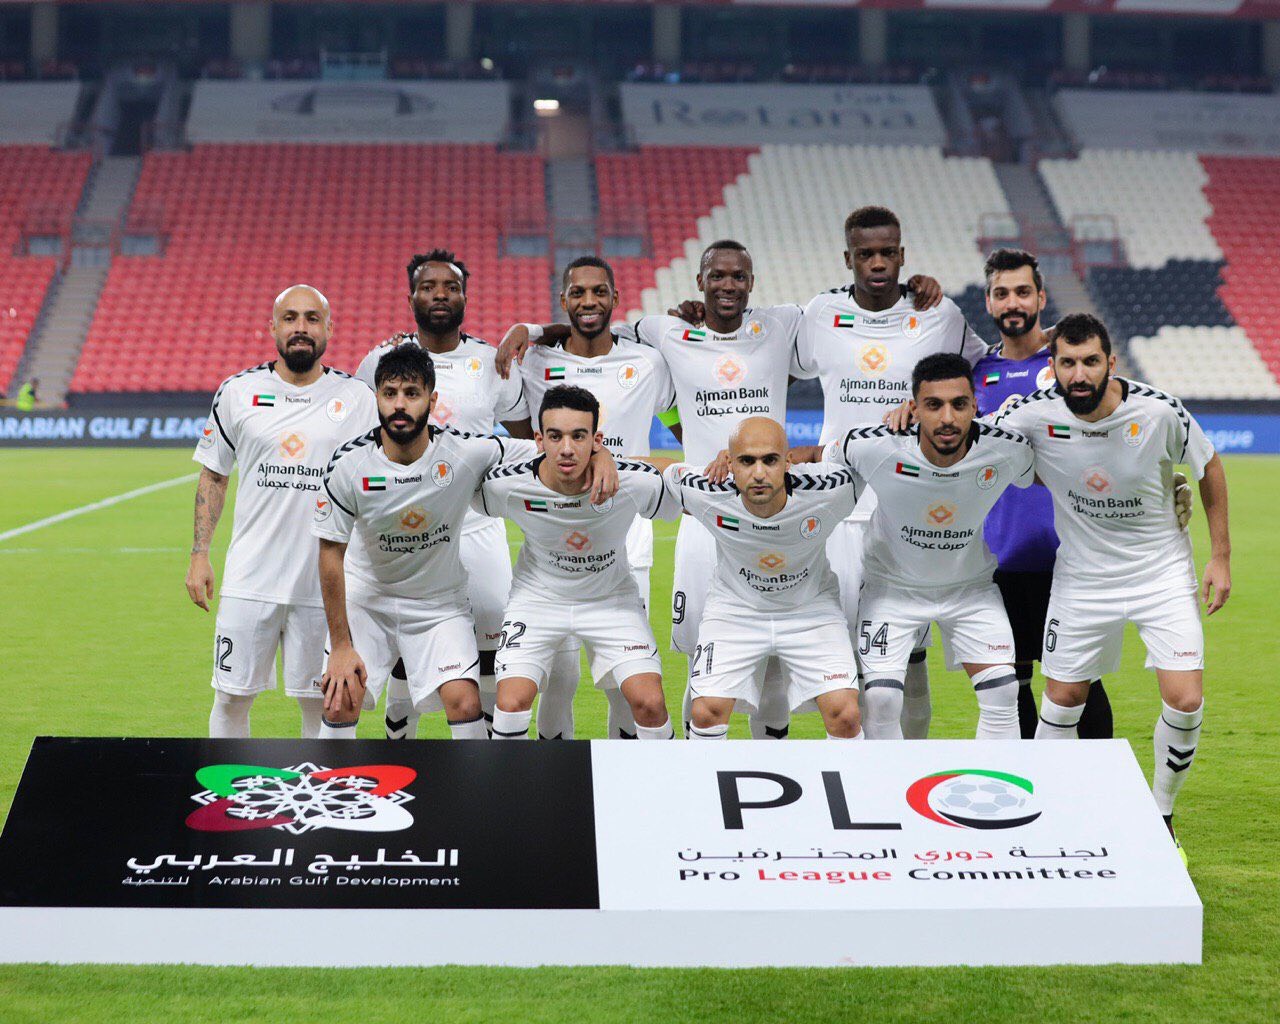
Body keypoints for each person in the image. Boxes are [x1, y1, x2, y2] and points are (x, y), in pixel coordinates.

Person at [994, 312, 1231, 857]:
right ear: (1053, 365)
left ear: (1111, 363)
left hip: (1159, 573)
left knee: (1186, 700)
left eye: (1090, 362)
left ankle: (1161, 815)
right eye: (1068, 363)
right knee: (1062, 699)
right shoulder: (1031, 413)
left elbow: (1210, 466)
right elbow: (969, 436)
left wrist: (1220, 557)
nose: (1079, 374)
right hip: (1081, 578)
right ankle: (1042, 819)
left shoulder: (1159, 410)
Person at [313, 344, 619, 740]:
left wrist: (601, 455)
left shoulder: (465, 451)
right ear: (378, 399)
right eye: (390, 393)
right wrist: (340, 646)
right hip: (368, 600)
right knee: (339, 698)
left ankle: (476, 781)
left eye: (412, 393)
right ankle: (335, 782)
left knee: (465, 702)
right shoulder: (348, 464)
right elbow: (330, 554)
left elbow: (549, 450)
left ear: (432, 401)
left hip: (438, 605)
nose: (400, 405)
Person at [791, 205, 989, 739]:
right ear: (848, 258)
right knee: (845, 653)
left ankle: (907, 762)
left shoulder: (940, 313)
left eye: (886, 253)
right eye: (865, 254)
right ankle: (855, 765)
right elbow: (759, 356)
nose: (877, 263)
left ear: (902, 255)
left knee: (908, 655)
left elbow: (985, 373)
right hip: (839, 507)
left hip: (910, 508)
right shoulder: (820, 314)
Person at [793, 353, 1032, 740]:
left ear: (975, 405)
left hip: (970, 590)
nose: (947, 418)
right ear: (914, 408)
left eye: (958, 404)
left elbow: (1045, 466)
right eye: (934, 405)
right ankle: (887, 780)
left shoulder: (1008, 448)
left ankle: (996, 778)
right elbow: (813, 456)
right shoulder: (873, 445)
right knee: (882, 700)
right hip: (893, 590)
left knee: (1004, 692)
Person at [355, 250, 533, 740]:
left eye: (450, 287)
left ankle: (491, 750)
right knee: (406, 630)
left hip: (476, 524)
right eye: (428, 287)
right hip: (402, 526)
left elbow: (523, 442)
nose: (439, 295)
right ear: (411, 296)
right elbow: (360, 438)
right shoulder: (380, 360)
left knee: (493, 631)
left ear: (465, 297)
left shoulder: (492, 362)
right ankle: (400, 723)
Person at [186, 284, 376, 738]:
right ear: (272, 327)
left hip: (326, 582)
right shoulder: (238, 392)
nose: (300, 328)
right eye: (290, 318)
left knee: (325, 701)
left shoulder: (357, 398)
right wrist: (199, 553)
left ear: (329, 328)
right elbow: (214, 476)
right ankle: (229, 784)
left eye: (312, 318)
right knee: (231, 697)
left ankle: (321, 786)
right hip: (250, 578)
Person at [509, 255, 678, 740]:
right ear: (563, 300)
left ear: (615, 299)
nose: (589, 301)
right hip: (553, 541)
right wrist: (532, 331)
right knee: (558, 680)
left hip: (627, 542)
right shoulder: (535, 362)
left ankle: (621, 775)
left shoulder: (646, 363)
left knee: (623, 686)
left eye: (599, 291)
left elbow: (675, 415)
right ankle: (557, 775)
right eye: (578, 292)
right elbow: (526, 443)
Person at [477, 385, 676, 741]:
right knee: (510, 704)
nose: (567, 448)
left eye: (578, 436)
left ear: (597, 440)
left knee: (649, 703)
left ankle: (660, 776)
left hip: (611, 601)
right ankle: (513, 778)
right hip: (537, 601)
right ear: (539, 440)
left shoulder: (630, 481)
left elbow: (682, 480)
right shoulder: (505, 485)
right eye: (555, 436)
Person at [973, 248, 1115, 738]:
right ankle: (1031, 783)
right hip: (998, 557)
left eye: (1022, 291)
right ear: (988, 302)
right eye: (1001, 293)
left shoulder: (1071, 366)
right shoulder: (974, 373)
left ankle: (1100, 778)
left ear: (1041, 297)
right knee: (1011, 686)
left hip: (1069, 556)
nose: (1012, 302)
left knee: (1080, 683)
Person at [665, 417, 863, 740]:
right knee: (706, 713)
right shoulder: (709, 491)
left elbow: (870, 457)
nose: (759, 473)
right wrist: (600, 457)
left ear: (788, 462)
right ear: (729, 463)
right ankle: (700, 773)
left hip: (811, 611)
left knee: (846, 714)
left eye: (770, 460)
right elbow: (659, 471)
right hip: (735, 611)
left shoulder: (831, 491)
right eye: (747, 461)